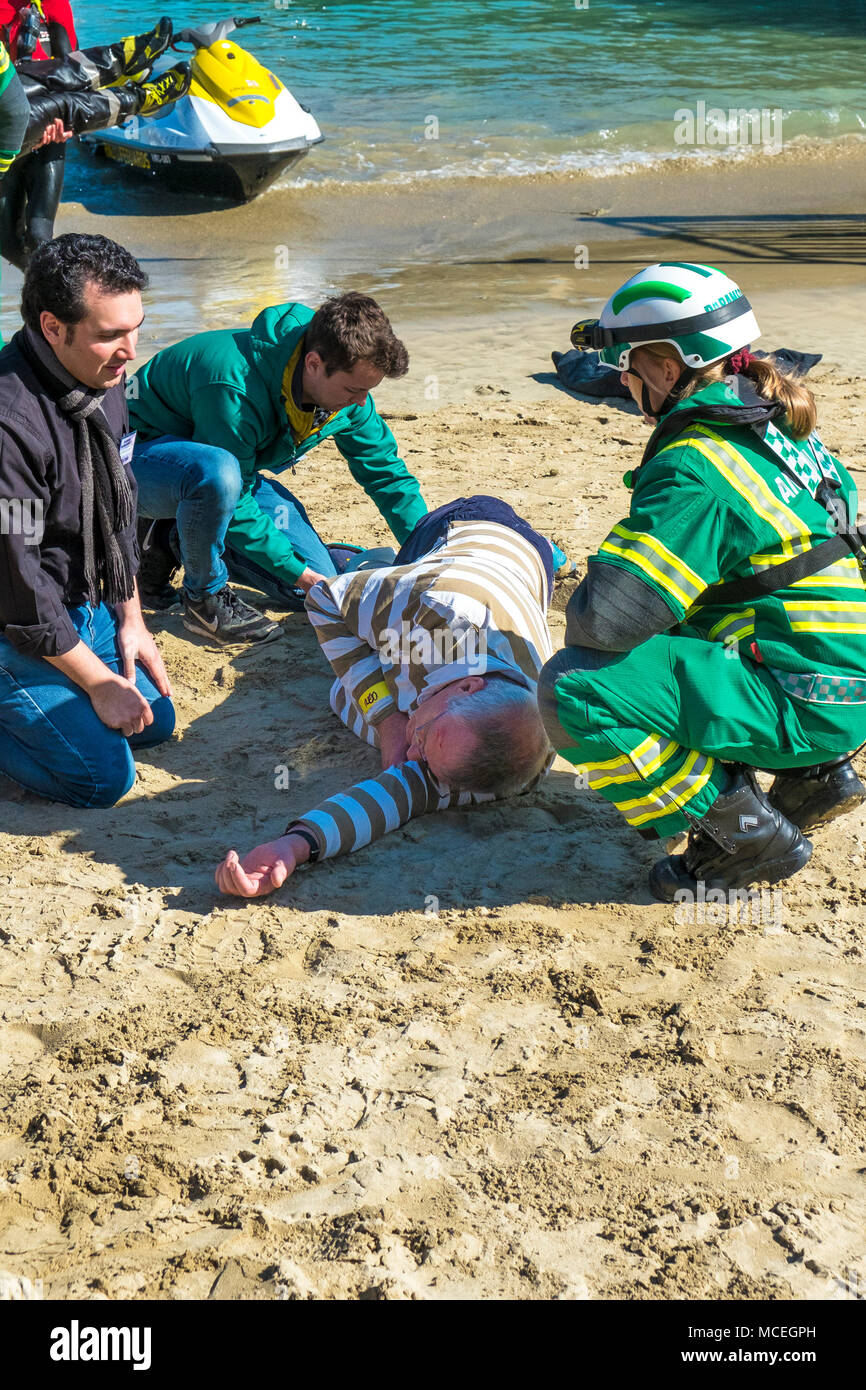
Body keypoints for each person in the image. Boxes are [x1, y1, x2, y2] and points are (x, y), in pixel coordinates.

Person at [538, 262, 866, 901]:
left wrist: (617, 554)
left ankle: (743, 835)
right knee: (718, 599)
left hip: (806, 698)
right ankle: (817, 775)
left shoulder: (694, 464)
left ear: (669, 368)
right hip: (845, 679)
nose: (624, 380)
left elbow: (602, 620)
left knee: (574, 686)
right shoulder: (772, 421)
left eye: (630, 364)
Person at [214, 496, 555, 897]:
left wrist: (296, 845)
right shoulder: (425, 604)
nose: (413, 754)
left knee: (350, 693)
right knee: (355, 682)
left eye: (424, 756)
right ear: (468, 685)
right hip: (463, 526)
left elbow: (398, 795)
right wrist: (390, 722)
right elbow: (324, 600)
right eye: (425, 738)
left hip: (533, 568)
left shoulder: (513, 771)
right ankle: (366, 565)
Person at [128, 292, 429, 646]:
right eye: (353, 389)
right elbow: (233, 493)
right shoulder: (233, 385)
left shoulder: (348, 387)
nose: (361, 401)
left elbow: (386, 473)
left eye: (367, 391)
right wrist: (298, 574)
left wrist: (428, 546)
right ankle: (202, 595)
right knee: (221, 481)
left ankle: (174, 537)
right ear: (314, 363)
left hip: (223, 472)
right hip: (135, 463)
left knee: (315, 588)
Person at [0, 232, 175, 807]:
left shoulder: (105, 377)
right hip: (11, 615)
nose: (130, 352)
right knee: (102, 780)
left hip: (78, 597)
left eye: (135, 328)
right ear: (53, 327)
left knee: (155, 722)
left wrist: (132, 620)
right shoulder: (9, 426)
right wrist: (98, 682)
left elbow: (118, 511)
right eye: (110, 335)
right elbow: (18, 586)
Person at [0, 0, 79, 268]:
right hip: (7, 135)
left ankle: (45, 303)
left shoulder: (55, 5)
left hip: (48, 129)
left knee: (39, 235)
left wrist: (66, 124)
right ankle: (39, 295)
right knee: (7, 244)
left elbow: (71, 69)